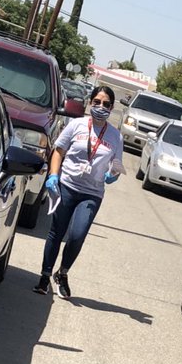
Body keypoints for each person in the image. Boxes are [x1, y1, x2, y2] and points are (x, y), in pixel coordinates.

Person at [34, 85, 125, 301]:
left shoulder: (115, 137)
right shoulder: (76, 125)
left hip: (92, 193)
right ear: (90, 103)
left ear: (111, 108)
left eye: (105, 104)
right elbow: (58, 151)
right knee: (57, 232)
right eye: (97, 102)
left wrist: (113, 175)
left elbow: (117, 165)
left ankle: (62, 273)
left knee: (77, 235)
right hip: (66, 185)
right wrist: (53, 175)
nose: (100, 107)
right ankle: (45, 276)